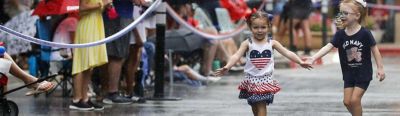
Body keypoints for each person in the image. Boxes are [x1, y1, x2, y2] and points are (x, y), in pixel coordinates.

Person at [214, 11, 312, 116]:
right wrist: (228, 66)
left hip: (265, 81)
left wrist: (300, 61)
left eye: (263, 27)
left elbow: (287, 53)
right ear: (250, 27)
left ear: (269, 27)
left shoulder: (272, 43)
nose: (259, 30)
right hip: (251, 80)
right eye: (256, 27)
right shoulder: (247, 43)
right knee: (254, 106)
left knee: (261, 105)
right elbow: (236, 56)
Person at [306, 0, 385, 116]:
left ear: (357, 16)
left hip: (363, 74)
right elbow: (328, 46)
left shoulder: (365, 33)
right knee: (347, 102)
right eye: (340, 13)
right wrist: (313, 58)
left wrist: (380, 68)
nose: (342, 16)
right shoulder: (340, 35)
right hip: (348, 74)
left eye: (346, 13)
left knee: (354, 100)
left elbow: (375, 50)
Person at [69, 0, 111, 111]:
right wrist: (102, 3)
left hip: (94, 26)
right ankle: (76, 99)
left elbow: (95, 8)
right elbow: (82, 7)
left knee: (89, 65)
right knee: (81, 64)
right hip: (86, 26)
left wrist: (105, 6)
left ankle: (85, 98)